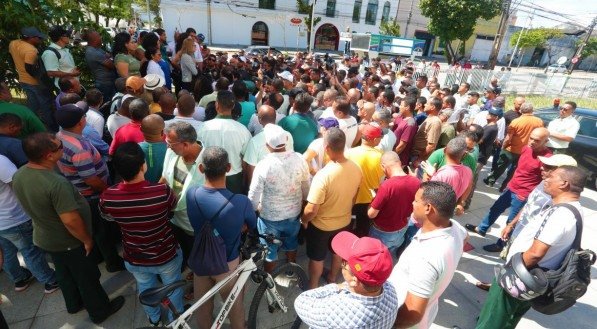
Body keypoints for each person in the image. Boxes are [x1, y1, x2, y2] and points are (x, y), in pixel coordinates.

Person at [12, 132, 124, 324]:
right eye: (60, 147)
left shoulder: (20, 173)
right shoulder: (56, 183)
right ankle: (100, 311)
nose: (63, 148)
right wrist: (86, 239)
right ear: (49, 155)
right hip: (68, 240)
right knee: (86, 277)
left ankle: (73, 304)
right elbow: (71, 220)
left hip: (46, 237)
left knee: (64, 273)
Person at [475, 165, 588, 329]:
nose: (545, 179)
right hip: (532, 279)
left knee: (493, 319)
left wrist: (510, 273)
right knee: (506, 320)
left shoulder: (561, 215)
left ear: (564, 184)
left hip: (521, 276)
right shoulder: (573, 209)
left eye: (551, 177)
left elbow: (535, 253)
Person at [99, 142, 182, 327]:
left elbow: (107, 216)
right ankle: (176, 321)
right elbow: (173, 207)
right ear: (143, 165)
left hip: (134, 255)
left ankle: (154, 319)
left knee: (145, 287)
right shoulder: (161, 192)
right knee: (173, 287)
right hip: (165, 253)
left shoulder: (108, 197)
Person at [187, 146, 256, 329]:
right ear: (228, 168)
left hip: (200, 259)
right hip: (227, 264)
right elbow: (252, 225)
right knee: (234, 306)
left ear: (201, 168)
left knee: (202, 307)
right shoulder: (241, 201)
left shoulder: (191, 194)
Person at [54, 104, 124, 272]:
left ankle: (97, 255)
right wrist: (107, 190)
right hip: (91, 194)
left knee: (93, 227)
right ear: (80, 122)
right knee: (102, 231)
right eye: (84, 117)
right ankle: (112, 262)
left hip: (77, 189)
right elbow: (90, 179)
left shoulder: (60, 136)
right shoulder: (79, 149)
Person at [388, 181, 467, 328]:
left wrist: (387, 324)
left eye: (416, 200)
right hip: (429, 312)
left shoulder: (427, 257)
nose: (412, 202)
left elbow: (412, 314)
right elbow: (465, 236)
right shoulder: (455, 228)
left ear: (428, 208)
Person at [466, 128, 552, 250]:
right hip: (511, 188)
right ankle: (482, 229)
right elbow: (518, 168)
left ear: (546, 141)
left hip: (523, 194)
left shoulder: (547, 159)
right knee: (495, 209)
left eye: (536, 140)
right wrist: (508, 183)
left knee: (512, 221)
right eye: (531, 138)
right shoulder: (526, 148)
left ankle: (501, 244)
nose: (531, 141)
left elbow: (546, 179)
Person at [295, 231, 398, 328]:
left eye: (344, 262)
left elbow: (301, 302)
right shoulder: (392, 293)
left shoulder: (334, 311)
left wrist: (337, 286)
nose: (342, 263)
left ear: (354, 281)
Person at [301, 128, 362, 289]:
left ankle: (312, 287)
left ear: (327, 148)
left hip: (321, 226)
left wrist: (304, 220)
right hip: (344, 222)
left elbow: (311, 209)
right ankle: (332, 278)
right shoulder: (356, 169)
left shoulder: (323, 175)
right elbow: (354, 198)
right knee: (338, 253)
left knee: (317, 258)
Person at [247, 124, 309, 272]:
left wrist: (254, 209)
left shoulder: (264, 165)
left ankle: (269, 280)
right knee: (292, 242)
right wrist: (304, 203)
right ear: (286, 139)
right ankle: (290, 271)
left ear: (267, 146)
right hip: (293, 213)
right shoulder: (299, 159)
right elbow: (306, 186)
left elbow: (254, 193)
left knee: (269, 250)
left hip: (269, 217)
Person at [0, 154, 59, 293]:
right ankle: (50, 281)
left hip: (3, 222)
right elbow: (19, 185)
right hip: (14, 217)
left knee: (7, 251)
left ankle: (19, 279)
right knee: (30, 251)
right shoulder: (1, 161)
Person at [159, 121, 204, 268]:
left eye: (170, 142)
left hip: (193, 223)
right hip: (174, 219)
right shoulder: (172, 152)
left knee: (195, 251)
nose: (168, 146)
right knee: (182, 248)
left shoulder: (208, 161)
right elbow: (164, 177)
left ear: (185, 144)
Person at [197, 91, 251, 194]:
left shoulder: (203, 128)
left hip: (208, 178)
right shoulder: (243, 130)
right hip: (234, 179)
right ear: (233, 106)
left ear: (216, 105)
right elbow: (245, 160)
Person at [368, 151, 420, 252]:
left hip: (383, 232)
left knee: (375, 258)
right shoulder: (416, 181)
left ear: (383, 166)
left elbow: (371, 214)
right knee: (388, 255)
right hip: (402, 228)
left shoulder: (387, 186)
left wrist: (372, 201)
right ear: (400, 163)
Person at [8, 27, 56, 130]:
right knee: (45, 105)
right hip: (34, 82)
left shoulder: (13, 43)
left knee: (32, 104)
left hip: (23, 80)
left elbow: (13, 59)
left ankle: (27, 125)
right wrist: (41, 80)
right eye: (38, 38)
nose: (40, 40)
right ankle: (51, 127)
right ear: (31, 38)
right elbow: (29, 68)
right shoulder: (31, 50)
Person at [346, 124, 385, 237]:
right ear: (374, 139)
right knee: (363, 226)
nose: (380, 140)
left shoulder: (349, 153)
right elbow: (382, 180)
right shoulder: (380, 156)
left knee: (348, 222)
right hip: (369, 198)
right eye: (380, 137)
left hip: (350, 197)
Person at [243, 105, 294, 184]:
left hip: (264, 185)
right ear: (275, 117)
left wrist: (251, 187)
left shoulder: (255, 140)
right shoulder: (288, 135)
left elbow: (251, 167)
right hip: (285, 181)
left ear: (259, 120)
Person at [84, 30, 117, 101]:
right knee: (107, 103)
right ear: (94, 39)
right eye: (99, 36)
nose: (101, 38)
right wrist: (111, 59)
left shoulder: (97, 49)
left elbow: (110, 56)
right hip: (104, 84)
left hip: (108, 82)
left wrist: (110, 58)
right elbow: (112, 65)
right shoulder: (92, 52)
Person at [412, 97, 442, 166]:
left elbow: (431, 146)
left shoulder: (435, 122)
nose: (425, 105)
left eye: (427, 104)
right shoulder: (429, 118)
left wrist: (419, 159)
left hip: (420, 159)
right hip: (416, 155)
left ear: (432, 107)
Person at [139, 114, 168, 183]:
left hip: (141, 190)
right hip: (161, 190)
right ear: (162, 132)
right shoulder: (170, 150)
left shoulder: (135, 149)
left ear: (140, 129)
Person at [392, 97, 418, 165]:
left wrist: (392, 157)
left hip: (399, 159)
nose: (399, 107)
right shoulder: (400, 116)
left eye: (401, 105)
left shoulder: (410, 124)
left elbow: (402, 145)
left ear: (407, 107)